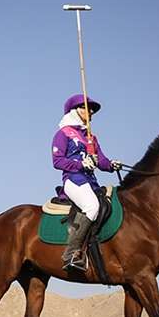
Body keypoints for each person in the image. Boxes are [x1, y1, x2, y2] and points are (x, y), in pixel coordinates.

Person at [51, 94, 123, 271]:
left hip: (91, 181)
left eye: (91, 109)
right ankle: (71, 253)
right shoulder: (63, 133)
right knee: (92, 207)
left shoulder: (91, 137)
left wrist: (112, 165)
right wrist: (80, 164)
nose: (90, 111)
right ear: (75, 110)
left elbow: (101, 161)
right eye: (86, 108)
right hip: (73, 179)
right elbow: (57, 161)